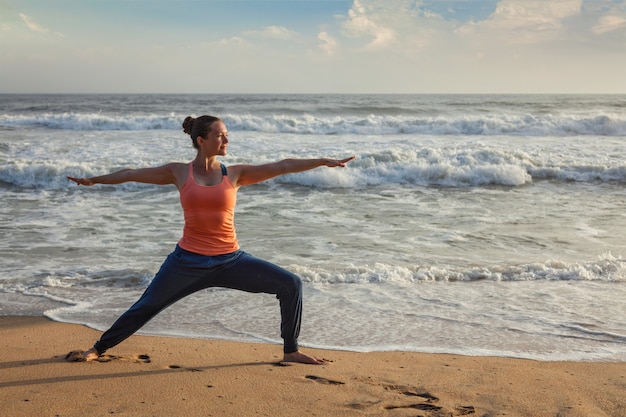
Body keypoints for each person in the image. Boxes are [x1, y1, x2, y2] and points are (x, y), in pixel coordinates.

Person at [67, 115, 355, 365]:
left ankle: (291, 351)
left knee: (291, 284)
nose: (227, 140)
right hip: (186, 262)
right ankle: (98, 349)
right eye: (221, 135)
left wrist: (321, 161)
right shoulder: (179, 172)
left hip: (231, 260)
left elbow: (282, 165)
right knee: (146, 306)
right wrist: (95, 180)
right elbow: (130, 174)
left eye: (227, 135)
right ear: (202, 140)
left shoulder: (236, 174)